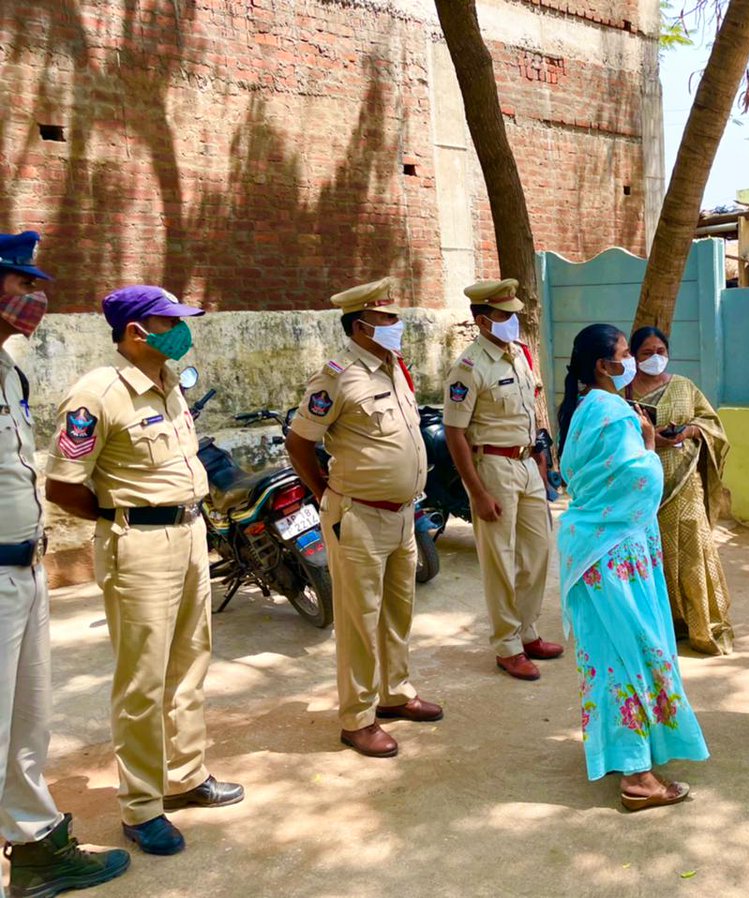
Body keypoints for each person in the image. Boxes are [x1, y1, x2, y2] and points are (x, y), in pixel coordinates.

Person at [45, 286, 243, 857]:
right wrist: (119, 517)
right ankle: (139, 807)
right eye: (170, 322)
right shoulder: (97, 393)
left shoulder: (170, 385)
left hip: (189, 535)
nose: (182, 331)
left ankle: (184, 776)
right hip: (139, 545)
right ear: (137, 331)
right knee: (143, 679)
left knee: (189, 664)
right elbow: (63, 485)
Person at [0, 233, 130, 894]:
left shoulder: (10, 369)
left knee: (27, 725)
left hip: (25, 571)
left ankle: (34, 847)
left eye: (33, 286)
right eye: (20, 286)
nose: (35, 299)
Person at [286, 278, 442, 760]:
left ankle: (395, 692)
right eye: (387, 319)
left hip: (401, 516)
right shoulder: (337, 376)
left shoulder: (394, 370)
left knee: (398, 612)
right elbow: (299, 441)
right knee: (359, 619)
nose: (398, 326)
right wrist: (323, 491)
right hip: (358, 517)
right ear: (361, 326)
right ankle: (357, 719)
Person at [556, 323, 708, 810]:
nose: (634, 361)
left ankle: (626, 753)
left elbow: (576, 475)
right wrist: (647, 445)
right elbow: (638, 484)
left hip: (594, 550)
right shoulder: (615, 413)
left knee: (608, 655)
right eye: (625, 353)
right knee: (636, 653)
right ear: (605, 365)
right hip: (615, 553)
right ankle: (638, 778)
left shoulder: (584, 408)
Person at [443, 279, 562, 681]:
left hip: (527, 464)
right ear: (481, 320)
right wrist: (476, 491)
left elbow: (532, 412)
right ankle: (507, 646)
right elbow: (455, 432)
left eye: (513, 314)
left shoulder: (519, 355)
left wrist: (542, 462)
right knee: (499, 559)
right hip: (492, 467)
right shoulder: (469, 367)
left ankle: (527, 631)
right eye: (503, 315)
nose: (512, 320)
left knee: (538, 552)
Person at [627, 327, 733, 655]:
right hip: (643, 489)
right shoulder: (623, 394)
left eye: (660, 350)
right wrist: (648, 439)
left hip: (685, 483)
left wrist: (691, 429)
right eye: (646, 352)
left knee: (691, 552)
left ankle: (701, 625)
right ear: (633, 356)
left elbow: (713, 424)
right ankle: (663, 627)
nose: (655, 357)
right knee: (651, 555)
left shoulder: (684, 387)